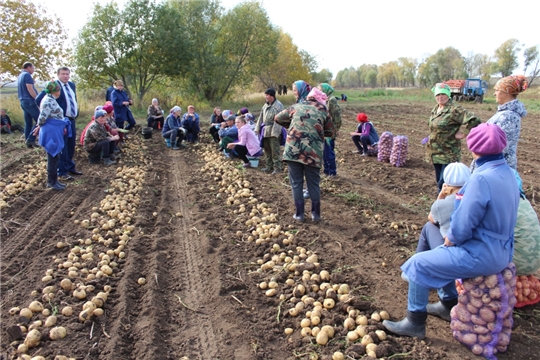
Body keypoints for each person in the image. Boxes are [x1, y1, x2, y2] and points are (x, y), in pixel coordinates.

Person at [383, 123, 519, 339]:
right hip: (502, 250)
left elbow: (464, 223)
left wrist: (451, 240)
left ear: (474, 149)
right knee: (438, 248)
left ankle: (414, 322)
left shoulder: (481, 178)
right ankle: (447, 305)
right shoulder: (508, 173)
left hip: (481, 253)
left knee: (419, 263)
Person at [274, 82, 335, 223]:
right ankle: (316, 215)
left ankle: (299, 215)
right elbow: (331, 131)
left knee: (296, 183)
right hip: (313, 152)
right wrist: (318, 131)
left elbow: (277, 118)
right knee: (313, 183)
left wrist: (291, 126)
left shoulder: (295, 107)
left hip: (293, 151)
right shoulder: (323, 109)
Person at [425, 83, 480, 191]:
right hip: (435, 153)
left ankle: (446, 203)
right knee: (439, 181)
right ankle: (442, 201)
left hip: (448, 153)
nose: (440, 97)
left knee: (445, 182)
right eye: (438, 95)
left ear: (448, 95)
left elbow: (474, 120)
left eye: (443, 94)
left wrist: (463, 132)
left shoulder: (454, 109)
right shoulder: (436, 109)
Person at [415, 162, 471, 253]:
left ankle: (419, 262)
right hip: (476, 249)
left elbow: (432, 217)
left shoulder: (442, 205)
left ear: (447, 184)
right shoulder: (477, 200)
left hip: (453, 252)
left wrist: (441, 195)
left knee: (428, 226)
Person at [485, 75, 528, 170]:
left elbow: (498, 147)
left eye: (497, 90)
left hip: (496, 171)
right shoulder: (505, 114)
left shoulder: (508, 117)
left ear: (507, 92)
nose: (494, 94)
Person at [33, 81, 70, 190]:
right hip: (51, 131)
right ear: (55, 90)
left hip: (55, 129)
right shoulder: (48, 101)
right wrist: (39, 127)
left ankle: (55, 180)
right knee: (52, 156)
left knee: (55, 155)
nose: (60, 92)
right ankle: (51, 181)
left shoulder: (51, 99)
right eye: (59, 90)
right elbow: (42, 117)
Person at [255, 88, 284, 175]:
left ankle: (277, 167)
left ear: (272, 96)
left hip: (274, 129)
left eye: (267, 95)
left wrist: (275, 133)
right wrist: (257, 128)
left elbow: (279, 119)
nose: (266, 97)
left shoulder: (278, 106)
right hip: (265, 130)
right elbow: (261, 117)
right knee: (267, 149)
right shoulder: (265, 105)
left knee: (275, 150)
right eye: (265, 95)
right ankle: (269, 166)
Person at [318, 83, 342, 176]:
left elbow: (337, 116)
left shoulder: (331, 100)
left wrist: (335, 129)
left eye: (320, 89)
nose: (319, 91)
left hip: (329, 131)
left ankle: (332, 172)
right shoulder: (324, 100)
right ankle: (326, 171)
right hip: (324, 130)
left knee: (329, 152)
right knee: (324, 152)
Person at [17, 62, 40, 147]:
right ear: (29, 67)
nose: (33, 70)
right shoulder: (27, 75)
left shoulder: (20, 75)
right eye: (33, 68)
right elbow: (30, 89)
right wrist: (37, 99)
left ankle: (28, 141)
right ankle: (30, 139)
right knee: (40, 120)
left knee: (28, 122)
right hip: (29, 101)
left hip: (23, 101)